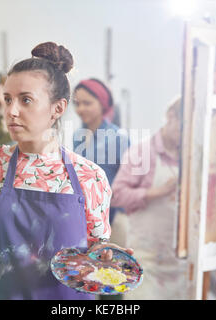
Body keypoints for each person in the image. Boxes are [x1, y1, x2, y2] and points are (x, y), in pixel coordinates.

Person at [0, 42, 133, 300]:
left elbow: (95, 250)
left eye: (26, 100)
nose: (11, 111)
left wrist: (107, 256)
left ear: (58, 108)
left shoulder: (89, 177)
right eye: (7, 100)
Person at [111, 96, 188, 300]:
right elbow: (116, 195)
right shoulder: (142, 153)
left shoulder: (191, 156)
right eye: (184, 127)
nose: (187, 135)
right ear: (171, 117)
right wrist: (157, 192)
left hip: (181, 264)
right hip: (148, 261)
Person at [72, 79, 130, 300]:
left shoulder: (118, 138)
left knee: (111, 280)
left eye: (87, 103)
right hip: (86, 218)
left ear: (102, 104)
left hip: (113, 218)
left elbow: (128, 181)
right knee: (90, 278)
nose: (80, 109)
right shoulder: (78, 136)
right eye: (77, 103)